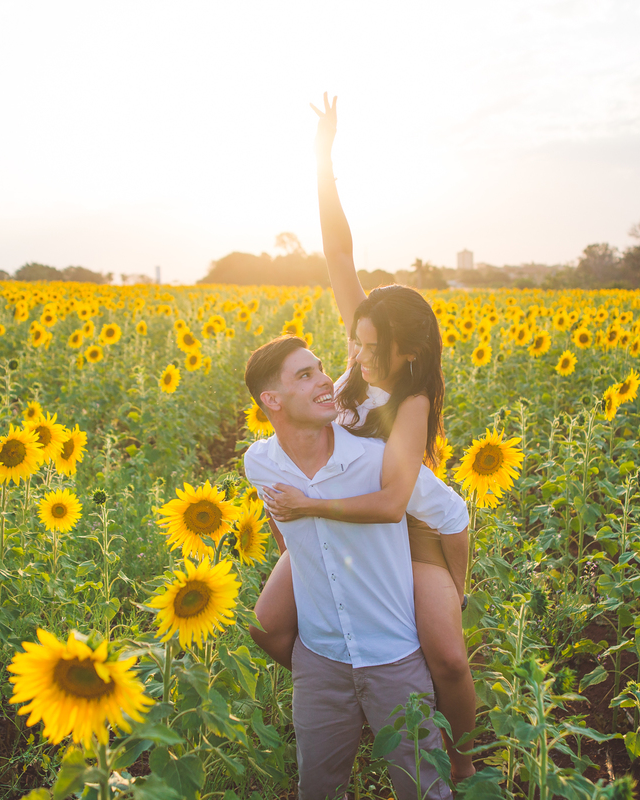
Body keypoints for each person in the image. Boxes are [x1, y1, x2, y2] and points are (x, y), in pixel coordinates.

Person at [250, 92, 478, 783]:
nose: (356, 351)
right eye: (355, 339)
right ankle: (357, 697)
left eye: (372, 346)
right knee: (268, 624)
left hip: (412, 523)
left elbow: (395, 500)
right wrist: (324, 159)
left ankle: (460, 756)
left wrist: (453, 578)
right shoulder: (361, 349)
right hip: (351, 514)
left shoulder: (412, 401)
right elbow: (339, 251)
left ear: (409, 352)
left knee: (446, 656)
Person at [243, 335, 466, 800]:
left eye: (321, 368)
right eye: (305, 375)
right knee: (318, 790)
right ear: (271, 400)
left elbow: (451, 515)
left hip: (393, 657)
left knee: (424, 790)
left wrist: (454, 590)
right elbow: (282, 533)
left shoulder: (376, 457)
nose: (325, 379)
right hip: (320, 661)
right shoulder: (260, 462)